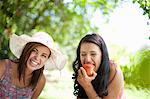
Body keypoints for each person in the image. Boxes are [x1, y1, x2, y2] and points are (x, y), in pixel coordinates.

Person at [0, 32, 66, 98]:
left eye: (43, 55)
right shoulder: (3, 66)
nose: (37, 58)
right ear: (27, 50)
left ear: (46, 60)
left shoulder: (40, 81)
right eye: (34, 51)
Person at [72, 33, 125, 99]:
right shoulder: (81, 72)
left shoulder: (114, 71)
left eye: (93, 54)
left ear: (102, 55)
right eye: (83, 54)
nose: (87, 59)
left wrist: (87, 85)